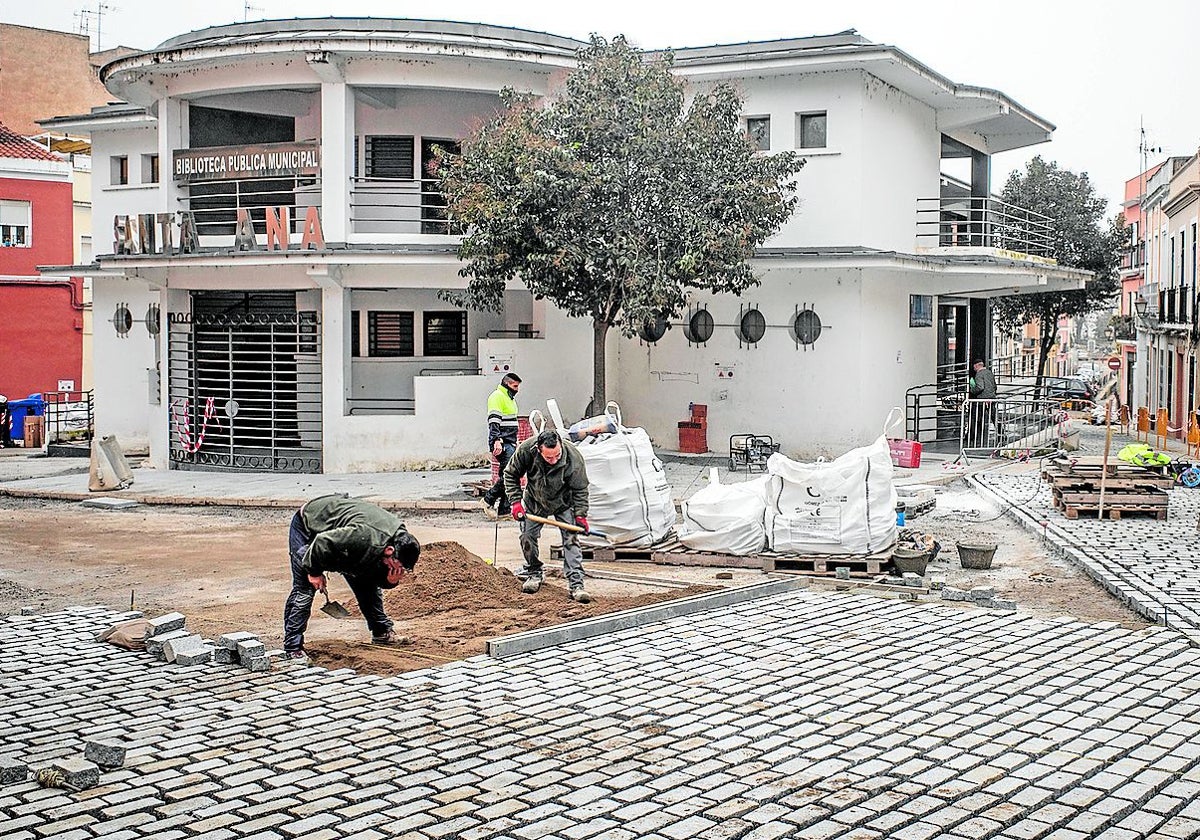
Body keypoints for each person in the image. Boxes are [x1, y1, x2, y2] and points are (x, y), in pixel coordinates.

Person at [283, 494, 421, 659]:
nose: (400, 570)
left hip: (347, 537)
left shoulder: (399, 539)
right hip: (309, 527)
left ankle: (382, 633)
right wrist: (314, 572)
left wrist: (390, 581)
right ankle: (293, 647)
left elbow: (374, 575)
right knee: (305, 589)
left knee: (366, 583)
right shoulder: (362, 537)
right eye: (398, 566)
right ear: (389, 552)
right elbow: (322, 542)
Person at [503, 429, 592, 603]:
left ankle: (576, 584)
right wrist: (515, 502)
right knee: (527, 536)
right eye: (549, 457)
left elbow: (580, 489)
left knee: (571, 540)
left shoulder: (573, 457)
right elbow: (510, 474)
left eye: (557, 456)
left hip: (563, 502)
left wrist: (581, 515)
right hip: (535, 499)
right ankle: (534, 571)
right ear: (538, 449)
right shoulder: (526, 450)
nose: (554, 460)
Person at [482, 372, 522, 516]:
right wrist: (496, 441)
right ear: (507, 384)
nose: (517, 389)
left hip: (509, 441)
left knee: (511, 475)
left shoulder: (509, 399)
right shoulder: (497, 397)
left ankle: (504, 510)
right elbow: (494, 422)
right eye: (515, 386)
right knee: (509, 475)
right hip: (502, 442)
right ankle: (488, 499)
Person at [968, 359, 998, 447]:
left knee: (976, 418)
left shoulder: (979, 374)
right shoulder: (989, 373)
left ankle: (972, 436)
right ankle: (1001, 433)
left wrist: (972, 390)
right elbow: (995, 386)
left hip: (981, 400)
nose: (973, 368)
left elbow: (980, 387)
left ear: (977, 365)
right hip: (991, 399)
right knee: (994, 417)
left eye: (974, 366)